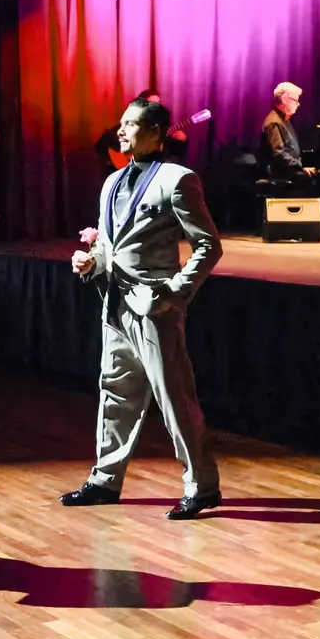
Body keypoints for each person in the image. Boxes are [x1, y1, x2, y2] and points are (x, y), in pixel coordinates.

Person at [62, 97, 223, 520]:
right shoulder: (112, 182)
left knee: (173, 398)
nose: (121, 131)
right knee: (115, 393)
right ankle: (104, 480)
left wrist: (175, 292)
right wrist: (90, 261)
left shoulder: (177, 179)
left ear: (155, 133)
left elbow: (208, 245)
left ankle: (202, 486)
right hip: (115, 305)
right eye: (121, 123)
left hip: (155, 308)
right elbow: (107, 244)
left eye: (131, 124)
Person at [260, 82, 315, 185]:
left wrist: (300, 165)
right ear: (285, 99)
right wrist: (300, 165)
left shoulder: (284, 119)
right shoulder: (274, 122)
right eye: (296, 100)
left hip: (288, 169)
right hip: (280, 173)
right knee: (314, 180)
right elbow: (279, 154)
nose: (298, 104)